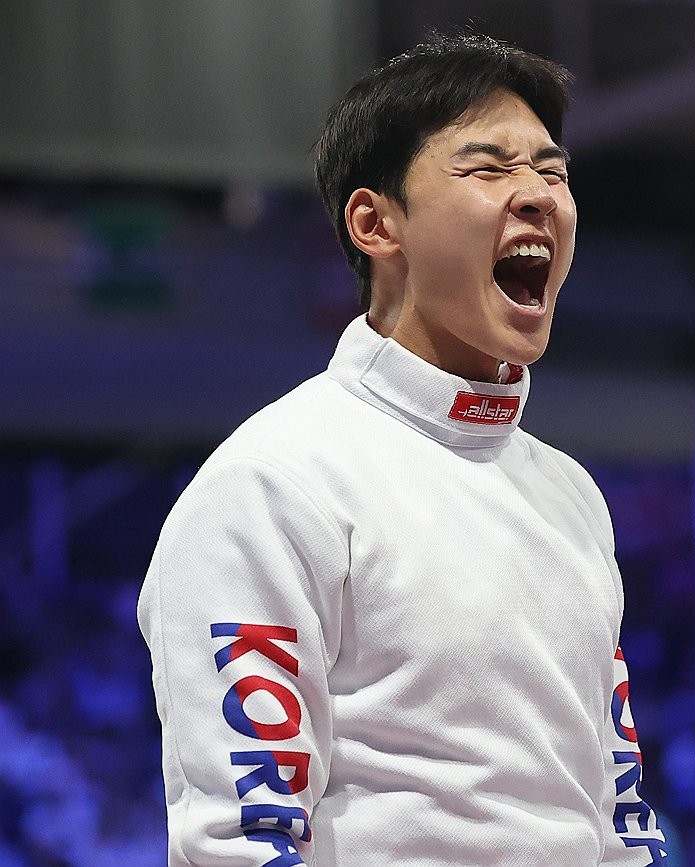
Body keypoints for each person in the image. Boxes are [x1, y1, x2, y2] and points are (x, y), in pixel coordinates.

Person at [138, 32, 668, 866]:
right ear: (375, 223)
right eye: (488, 168)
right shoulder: (274, 483)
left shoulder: (570, 493)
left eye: (553, 171)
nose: (536, 195)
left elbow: (616, 816)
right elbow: (243, 844)